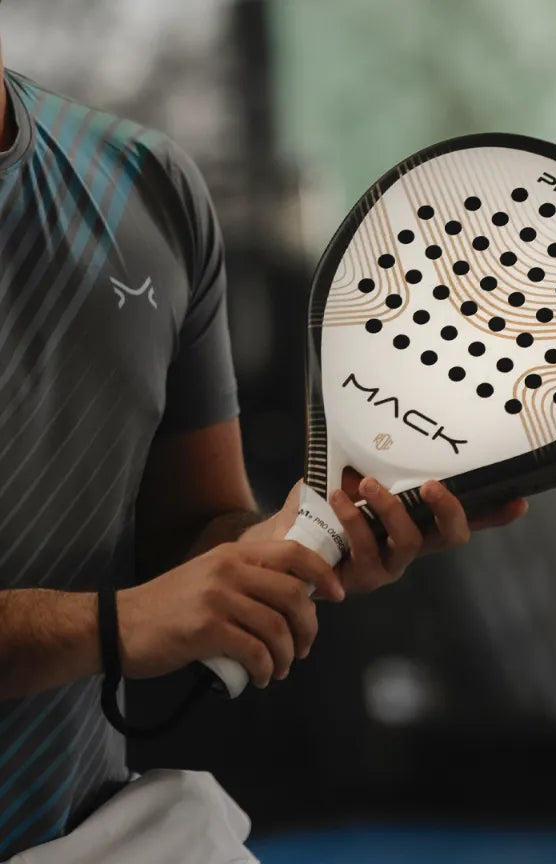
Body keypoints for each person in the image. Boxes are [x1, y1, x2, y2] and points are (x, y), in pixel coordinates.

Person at [0, 48, 527, 861]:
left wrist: (280, 554)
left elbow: (196, 529)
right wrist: (115, 623)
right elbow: (136, 613)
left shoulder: (145, 185)